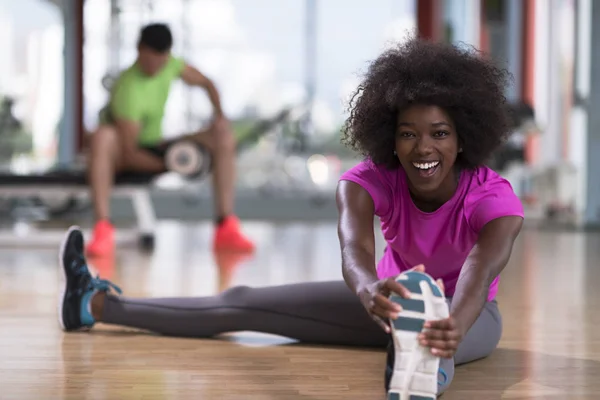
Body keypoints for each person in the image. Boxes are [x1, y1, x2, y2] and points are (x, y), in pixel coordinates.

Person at [58, 39, 524, 398]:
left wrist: (454, 326)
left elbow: (478, 272)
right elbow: (354, 250)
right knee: (242, 300)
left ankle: (422, 365)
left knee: (425, 340)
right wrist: (368, 291)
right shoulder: (366, 181)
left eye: (439, 134)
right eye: (408, 134)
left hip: (470, 315)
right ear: (390, 138)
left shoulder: (492, 196)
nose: (423, 148)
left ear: (463, 138)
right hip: (385, 301)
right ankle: (94, 304)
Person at [86, 23, 254, 256]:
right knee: (103, 137)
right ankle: (103, 228)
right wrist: (171, 165)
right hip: (129, 151)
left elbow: (207, 83)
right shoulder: (128, 88)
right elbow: (129, 153)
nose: (156, 63)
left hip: (158, 144)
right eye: (151, 57)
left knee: (223, 136)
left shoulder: (171, 64)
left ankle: (225, 227)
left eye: (161, 58)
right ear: (139, 49)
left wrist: (220, 116)